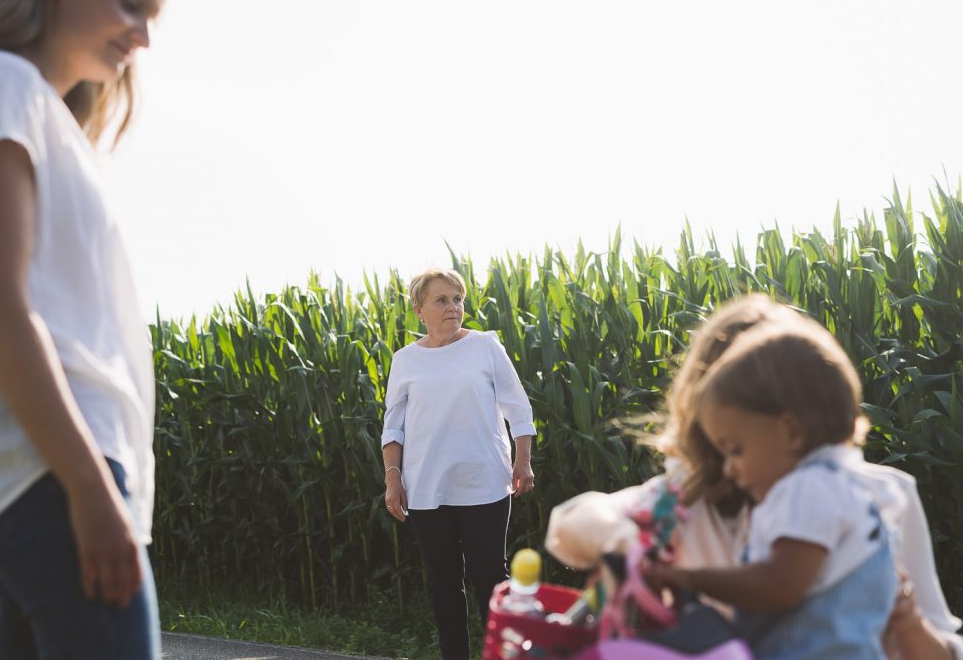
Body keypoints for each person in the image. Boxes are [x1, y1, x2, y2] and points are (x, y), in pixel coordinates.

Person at [0, 0, 167, 657]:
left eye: (152, 16)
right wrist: (89, 487)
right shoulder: (3, 85)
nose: (143, 35)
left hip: (52, 463)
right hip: (56, 462)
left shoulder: (36, 109)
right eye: (130, 3)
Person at [546, 295, 962, 660]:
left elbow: (941, 650)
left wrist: (907, 620)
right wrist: (622, 540)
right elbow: (570, 523)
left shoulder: (885, 494)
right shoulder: (685, 502)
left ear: (792, 422)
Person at [381, 268, 537, 660]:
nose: (453, 307)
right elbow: (393, 427)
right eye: (441, 300)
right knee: (444, 583)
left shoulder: (486, 346)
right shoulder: (405, 360)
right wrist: (392, 479)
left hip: (486, 482)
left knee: (492, 579)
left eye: (457, 299)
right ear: (419, 309)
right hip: (427, 488)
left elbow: (518, 408)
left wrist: (523, 461)